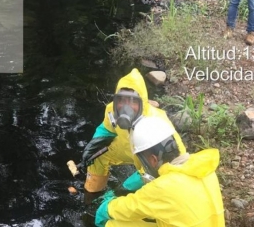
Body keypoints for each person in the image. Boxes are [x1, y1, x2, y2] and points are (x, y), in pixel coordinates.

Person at [95, 116, 225, 227]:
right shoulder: (203, 169)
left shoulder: (163, 187)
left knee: (113, 224)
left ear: (153, 159)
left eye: (143, 160)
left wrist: (106, 207)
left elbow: (126, 208)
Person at [81, 68, 186, 202]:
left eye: (132, 101)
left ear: (142, 102)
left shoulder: (157, 123)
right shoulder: (111, 110)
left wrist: (123, 189)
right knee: (97, 157)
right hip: (125, 148)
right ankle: (92, 195)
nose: (126, 106)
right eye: (121, 100)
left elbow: (178, 158)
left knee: (147, 186)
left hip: (150, 159)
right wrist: (93, 145)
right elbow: (106, 129)